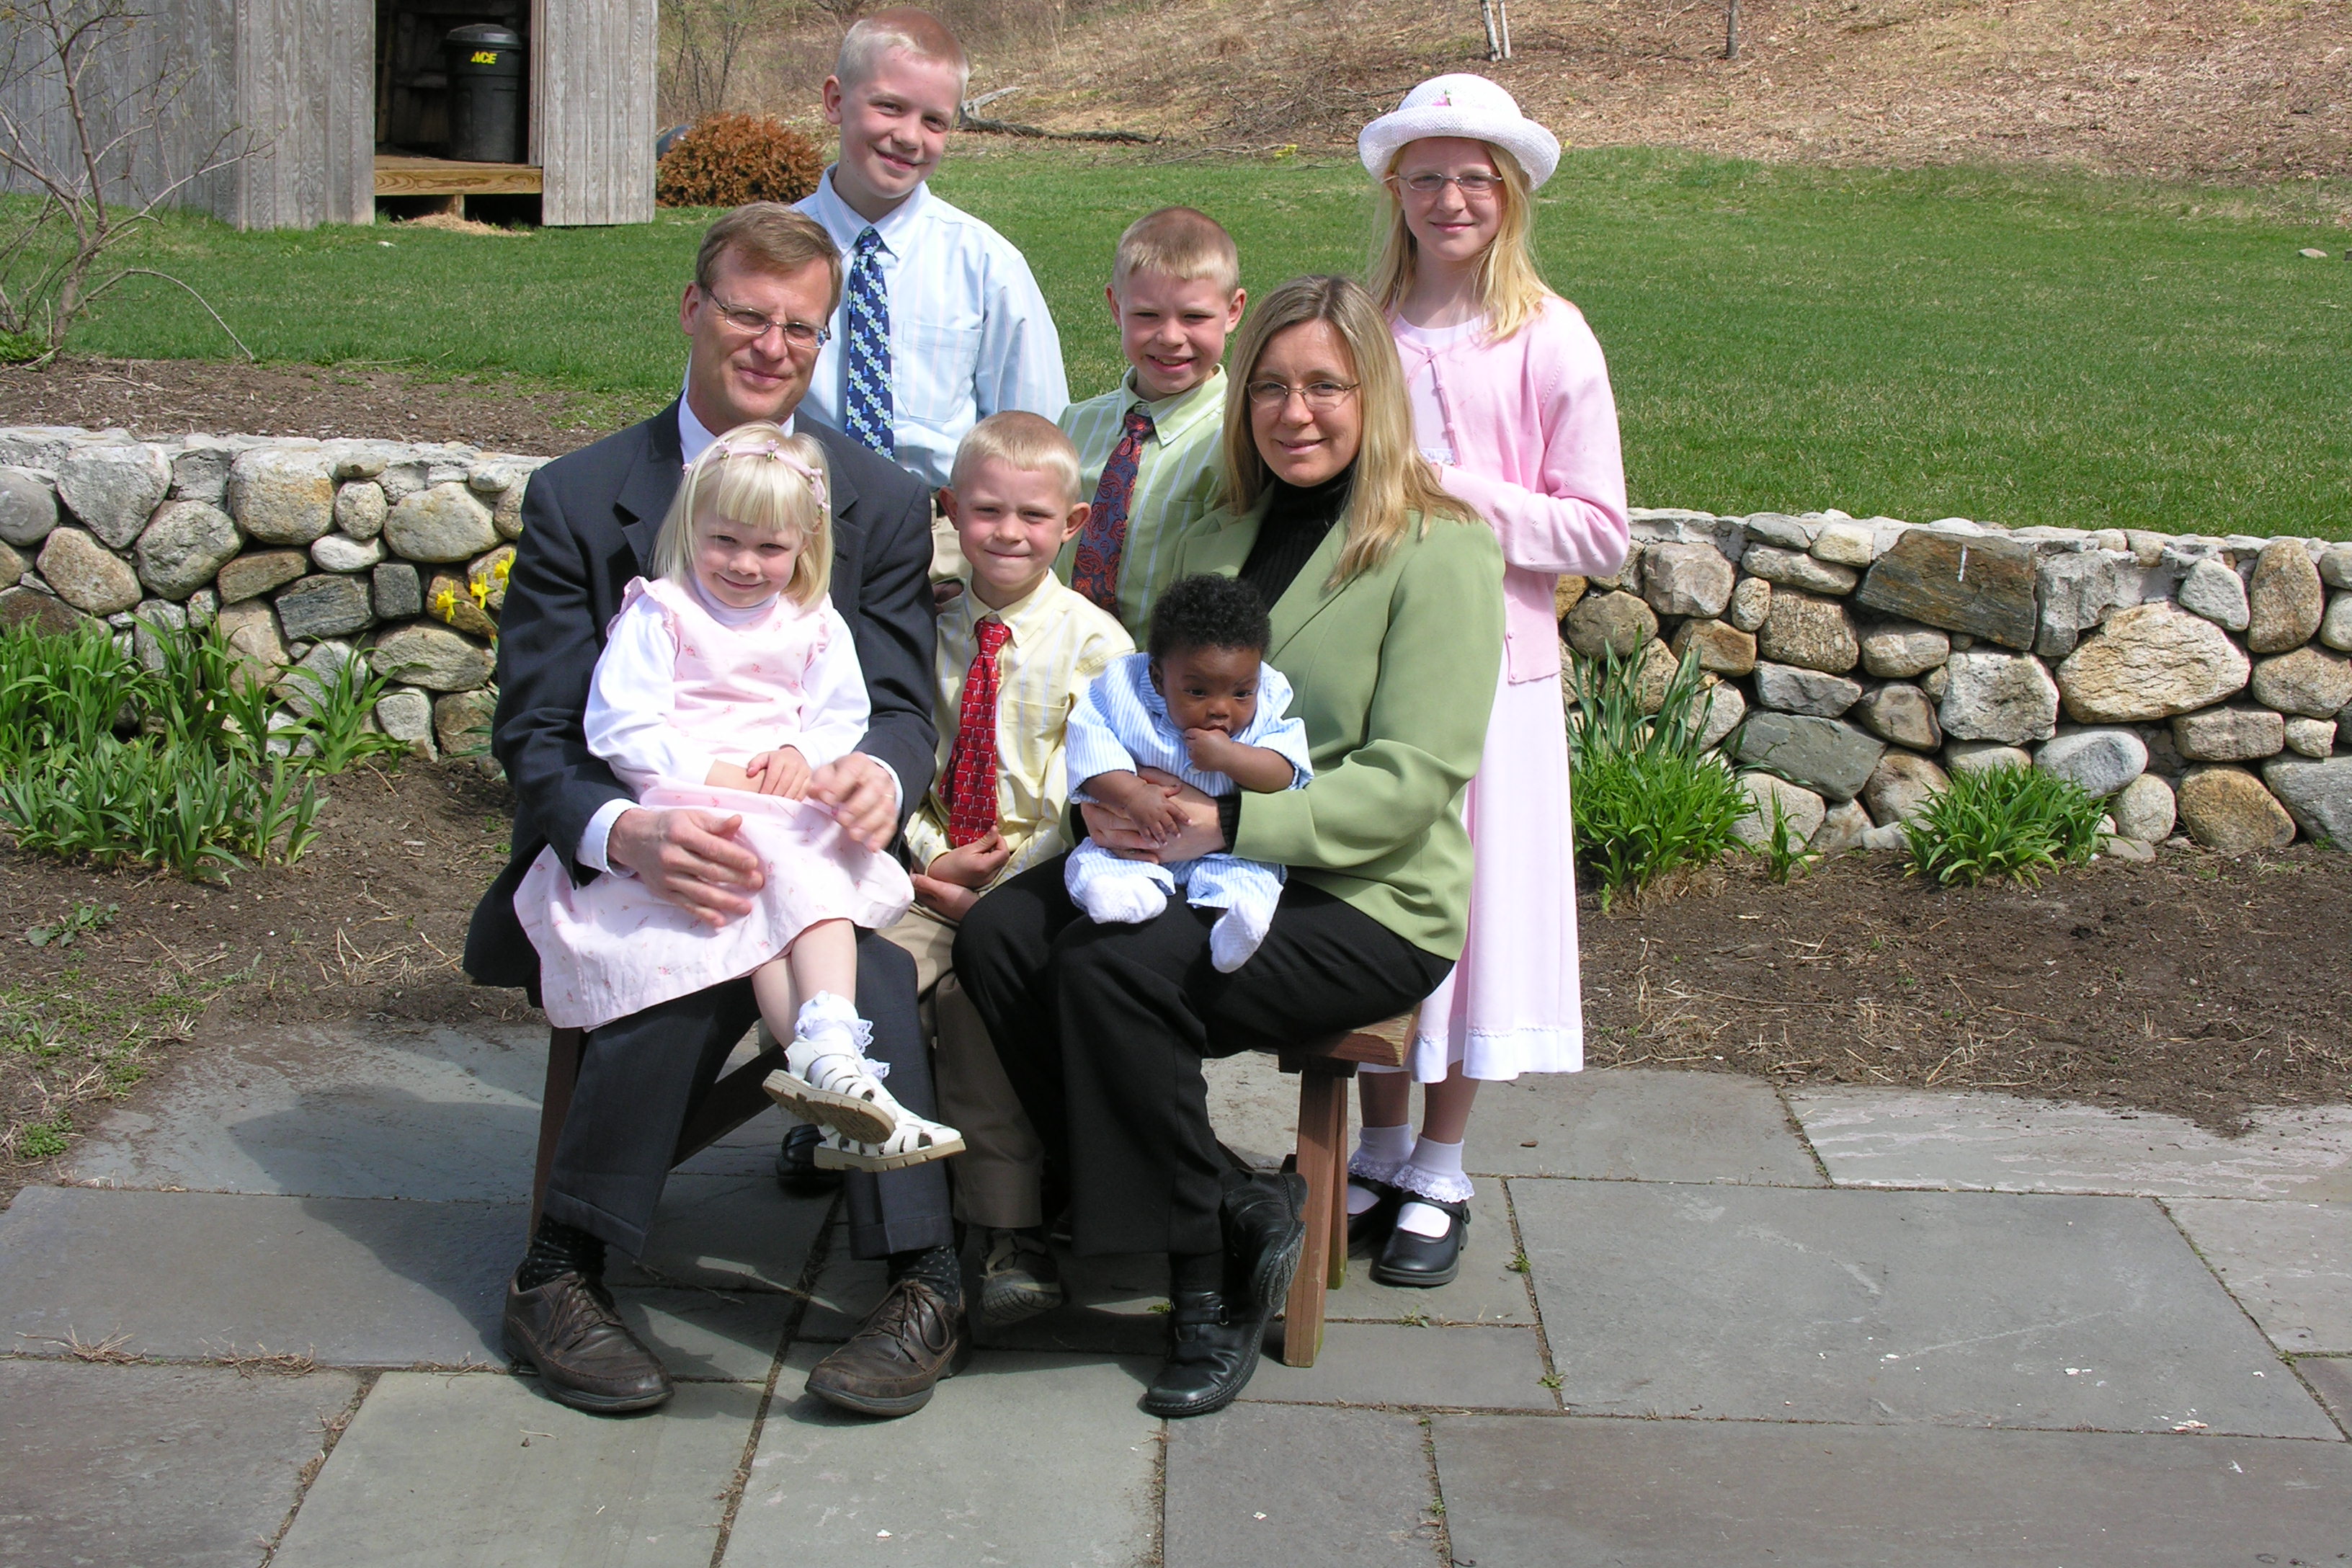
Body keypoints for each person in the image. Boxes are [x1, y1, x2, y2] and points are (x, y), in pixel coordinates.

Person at [954, 275, 1505, 1419]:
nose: (1294, 412)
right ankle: (1236, 1205)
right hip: (1178, 851)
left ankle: (1201, 1282)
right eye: (1269, 386)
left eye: (1325, 386)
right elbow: (1140, 703)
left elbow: (1417, 777)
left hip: (1359, 895)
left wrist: (1235, 822)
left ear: (1376, 394)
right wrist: (1106, 803)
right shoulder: (1218, 530)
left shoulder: (1441, 549)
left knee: (1112, 971)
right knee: (1002, 938)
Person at [466, 202, 967, 1421]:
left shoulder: (876, 499)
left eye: (801, 327)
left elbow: (900, 705)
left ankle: (924, 1280)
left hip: (803, 835)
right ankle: (561, 1270)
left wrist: (879, 772)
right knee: (676, 952)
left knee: (870, 975)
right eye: (748, 314)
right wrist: (627, 834)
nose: (771, 346)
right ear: (694, 308)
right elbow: (537, 728)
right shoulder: (585, 495)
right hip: (643, 838)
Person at [1347, 76, 1631, 1287]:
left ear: (1508, 193)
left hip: (1493, 675)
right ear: (1396, 191)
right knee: (1370, 899)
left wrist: (1457, 492)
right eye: (1427, 177)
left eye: (1474, 178)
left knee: (1469, 915)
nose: (1450, 199)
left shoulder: (1549, 335)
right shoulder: (1363, 326)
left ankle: (1439, 1163)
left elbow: (1598, 532)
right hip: (1366, 664)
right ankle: (1376, 1146)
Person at [514, 424, 961, 1171]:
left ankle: (828, 1064)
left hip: (781, 808)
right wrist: (720, 774)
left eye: (769, 548)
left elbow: (843, 717)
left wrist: (802, 755)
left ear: (805, 544)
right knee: (800, 901)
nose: (745, 565)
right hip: (688, 810)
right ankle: (835, 1065)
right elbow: (619, 726)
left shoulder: (813, 622)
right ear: (690, 525)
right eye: (724, 540)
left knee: (794, 921)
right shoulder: (662, 612)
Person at [888, 410, 1132, 1327]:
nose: (1009, 533)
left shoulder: (1097, 645)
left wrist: (996, 884)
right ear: (951, 510)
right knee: (871, 978)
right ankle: (896, 1199)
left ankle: (1005, 1226)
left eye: (1034, 516)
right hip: (930, 871)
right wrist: (931, 857)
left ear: (1073, 524)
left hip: (1041, 884)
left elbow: (1088, 795)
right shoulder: (925, 627)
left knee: (972, 999)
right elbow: (904, 754)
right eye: (987, 511)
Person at [796, 6, 1068, 502]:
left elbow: (1036, 435)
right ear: (835, 101)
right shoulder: (767, 253)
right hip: (790, 518)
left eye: (934, 121)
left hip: (937, 529)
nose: (909, 137)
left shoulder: (987, 266)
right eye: (889, 107)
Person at [1062, 574, 1312, 973]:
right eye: (1197, 691)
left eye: (1241, 692)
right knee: (1092, 863)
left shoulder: (1267, 698)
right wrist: (1131, 794)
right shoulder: (1120, 687)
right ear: (1159, 678)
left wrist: (1233, 758)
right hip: (1140, 845)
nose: (1221, 708)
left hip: (1226, 850)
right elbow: (1090, 753)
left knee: (1253, 876)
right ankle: (1128, 897)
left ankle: (1233, 926)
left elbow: (1284, 773)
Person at [1057, 208, 1245, 637]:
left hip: (1164, 662)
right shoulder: (1075, 424)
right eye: (1147, 315)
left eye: (1194, 317)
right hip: (1061, 652)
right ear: (1115, 307)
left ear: (1233, 311)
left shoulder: (1238, 438)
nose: (1171, 337)